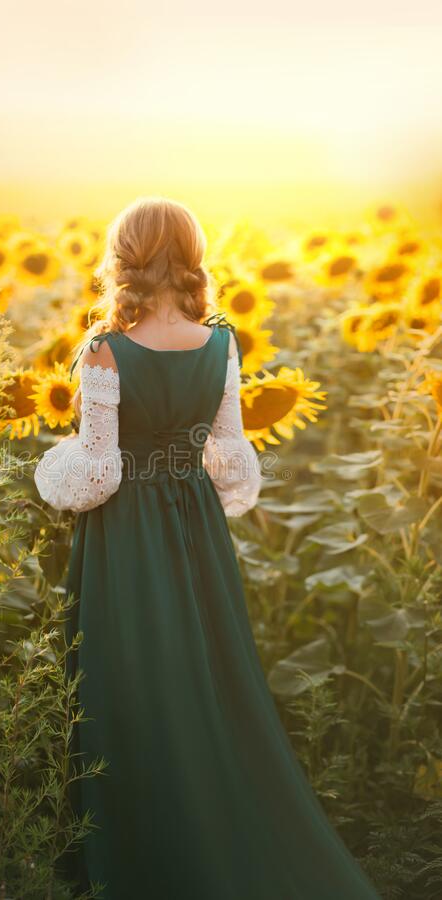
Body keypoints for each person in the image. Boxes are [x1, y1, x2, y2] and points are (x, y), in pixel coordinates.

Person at [34, 197, 380, 899]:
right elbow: (230, 454)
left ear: (124, 256)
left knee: (126, 684)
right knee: (202, 676)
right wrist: (186, 493)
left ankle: (143, 860)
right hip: (194, 526)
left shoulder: (105, 347)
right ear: (190, 256)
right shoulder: (221, 344)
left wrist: (48, 470)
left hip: (125, 533)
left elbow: (99, 472)